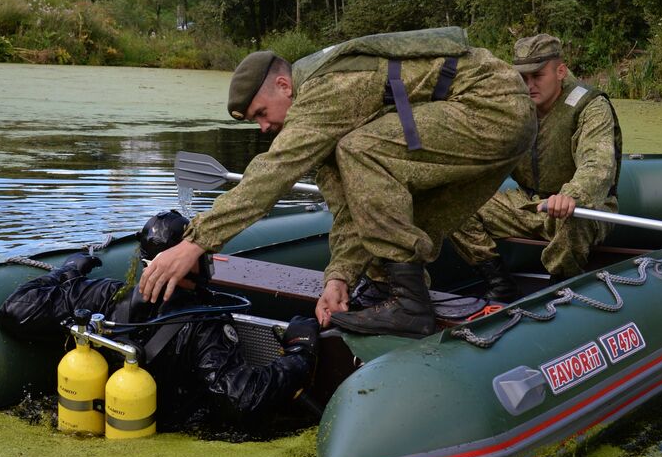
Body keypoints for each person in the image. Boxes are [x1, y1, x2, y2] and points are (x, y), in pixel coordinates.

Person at [140, 27, 536, 338]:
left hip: (492, 105)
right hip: (490, 122)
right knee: (383, 198)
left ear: (283, 85)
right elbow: (350, 206)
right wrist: (338, 277)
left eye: (261, 113)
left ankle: (411, 306)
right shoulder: (325, 121)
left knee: (361, 149)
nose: (263, 128)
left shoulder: (325, 91)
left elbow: (273, 172)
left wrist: (196, 242)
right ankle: (392, 295)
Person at [0, 211, 320, 429]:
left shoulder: (103, 296)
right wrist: (299, 355)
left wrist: (67, 272)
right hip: (167, 436)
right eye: (200, 254)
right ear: (189, 262)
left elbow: (15, 311)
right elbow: (237, 397)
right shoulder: (206, 323)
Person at [449, 33, 622, 301]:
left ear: (560, 71)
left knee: (572, 218)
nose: (529, 85)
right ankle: (500, 283)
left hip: (584, 208)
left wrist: (571, 196)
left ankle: (560, 288)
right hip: (529, 203)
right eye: (523, 77)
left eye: (538, 76)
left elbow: (596, 164)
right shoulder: (512, 108)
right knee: (456, 207)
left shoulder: (591, 107)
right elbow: (482, 155)